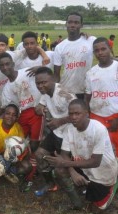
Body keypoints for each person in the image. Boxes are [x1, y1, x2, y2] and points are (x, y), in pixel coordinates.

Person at [85, 37, 118, 198]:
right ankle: (101, 177)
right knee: (98, 150)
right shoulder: (91, 73)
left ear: (110, 49)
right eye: (97, 50)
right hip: (97, 117)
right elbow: (87, 99)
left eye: (103, 49)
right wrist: (89, 120)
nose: (100, 52)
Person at [44, 99, 118, 210]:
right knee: (59, 170)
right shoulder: (69, 130)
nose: (73, 117)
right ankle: (76, 203)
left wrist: (64, 163)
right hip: (84, 168)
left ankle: (115, 184)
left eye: (77, 113)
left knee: (97, 210)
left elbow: (95, 162)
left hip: (104, 172)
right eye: (71, 114)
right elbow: (64, 154)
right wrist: (72, 171)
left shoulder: (98, 129)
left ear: (86, 113)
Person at [0, 52, 43, 192]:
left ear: (13, 64)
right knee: (17, 142)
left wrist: (39, 68)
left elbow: (48, 75)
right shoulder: (7, 89)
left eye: (7, 64)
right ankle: (17, 167)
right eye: (2, 65)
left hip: (37, 111)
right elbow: (4, 107)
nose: (5, 67)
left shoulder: (26, 73)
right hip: (24, 115)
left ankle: (32, 175)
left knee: (35, 143)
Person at [33, 67, 76, 196]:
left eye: (43, 82)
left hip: (69, 134)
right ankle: (51, 184)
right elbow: (40, 105)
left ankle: (75, 189)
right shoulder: (45, 92)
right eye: (38, 83)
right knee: (39, 155)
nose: (40, 86)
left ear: (52, 79)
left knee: (66, 165)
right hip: (56, 132)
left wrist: (59, 121)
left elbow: (82, 114)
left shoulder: (64, 94)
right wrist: (39, 108)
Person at [53, 12, 96, 99]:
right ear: (66, 24)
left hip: (87, 90)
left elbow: (105, 56)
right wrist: (55, 93)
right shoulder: (60, 47)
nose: (72, 25)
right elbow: (56, 75)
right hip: (67, 91)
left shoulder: (90, 40)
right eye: (70, 22)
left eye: (76, 23)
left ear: (81, 25)